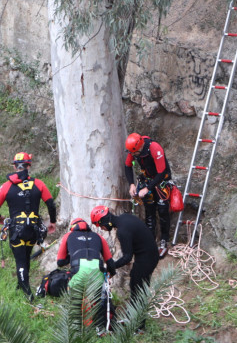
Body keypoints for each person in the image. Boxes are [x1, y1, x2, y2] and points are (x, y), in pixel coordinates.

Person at [0, 152, 58, 300]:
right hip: (33, 230)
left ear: (15, 166)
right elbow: (51, 204)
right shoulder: (39, 184)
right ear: (29, 165)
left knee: (20, 260)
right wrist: (52, 222)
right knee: (26, 256)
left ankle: (27, 292)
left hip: (17, 230)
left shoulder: (7, 186)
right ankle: (21, 283)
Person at [91, 205, 160, 334]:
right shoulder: (124, 217)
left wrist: (110, 267)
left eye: (100, 226)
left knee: (137, 290)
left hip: (146, 259)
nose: (102, 229)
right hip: (149, 254)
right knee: (137, 286)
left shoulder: (122, 231)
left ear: (104, 222)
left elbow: (127, 257)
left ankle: (139, 327)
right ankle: (131, 318)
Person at [56, 217, 116, 331]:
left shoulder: (68, 236)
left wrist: (74, 255)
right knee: (99, 301)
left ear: (73, 227)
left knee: (76, 302)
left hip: (78, 272)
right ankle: (100, 328)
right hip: (97, 273)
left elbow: (60, 262)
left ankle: (76, 329)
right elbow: (110, 262)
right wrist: (111, 274)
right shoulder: (99, 237)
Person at [124, 133, 172, 258]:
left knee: (163, 211)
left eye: (133, 153)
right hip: (147, 181)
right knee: (149, 212)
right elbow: (127, 166)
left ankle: (164, 241)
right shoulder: (134, 151)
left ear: (138, 148)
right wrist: (131, 185)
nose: (132, 155)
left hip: (161, 182)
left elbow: (161, 172)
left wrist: (147, 188)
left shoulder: (154, 148)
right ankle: (150, 241)